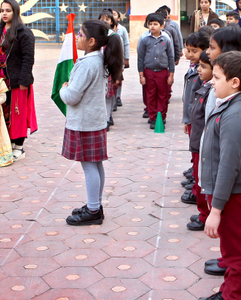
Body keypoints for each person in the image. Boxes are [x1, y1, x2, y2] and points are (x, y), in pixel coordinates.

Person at [196, 51, 241, 300]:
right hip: (225, 192)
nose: (212, 82)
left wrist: (216, 209)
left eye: (217, 78)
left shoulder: (235, 114)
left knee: (238, 251)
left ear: (234, 82)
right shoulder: (228, 103)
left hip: (233, 193)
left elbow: (230, 165)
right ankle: (228, 292)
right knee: (230, 249)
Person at [61, 21, 122, 226]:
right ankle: (94, 205)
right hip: (94, 119)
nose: (77, 37)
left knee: (89, 166)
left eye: (80, 34)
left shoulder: (88, 63)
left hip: (85, 122)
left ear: (91, 41)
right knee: (96, 164)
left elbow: (72, 96)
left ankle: (94, 209)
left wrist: (63, 88)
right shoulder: (97, 59)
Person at [0, 0, 37, 157]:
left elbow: (28, 58)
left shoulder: (24, 33)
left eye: (8, 10)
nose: (4, 13)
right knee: (3, 111)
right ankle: (7, 143)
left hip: (17, 80)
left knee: (18, 113)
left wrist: (24, 81)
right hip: (0, 79)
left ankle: (19, 146)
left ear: (15, 12)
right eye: (2, 10)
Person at [185, 52, 214, 231]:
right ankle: (203, 212)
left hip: (203, 145)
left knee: (203, 181)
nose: (199, 69)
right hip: (197, 142)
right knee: (198, 177)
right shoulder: (205, 86)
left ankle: (206, 215)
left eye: (204, 66)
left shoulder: (213, 91)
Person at [137, 13, 175, 129]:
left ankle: (161, 116)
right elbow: (141, 57)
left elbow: (170, 57)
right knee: (151, 95)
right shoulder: (144, 39)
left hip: (163, 71)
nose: (152, 26)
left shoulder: (166, 38)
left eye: (155, 24)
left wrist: (171, 74)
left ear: (162, 26)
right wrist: (141, 75)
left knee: (163, 95)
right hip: (149, 71)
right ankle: (153, 117)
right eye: (150, 24)